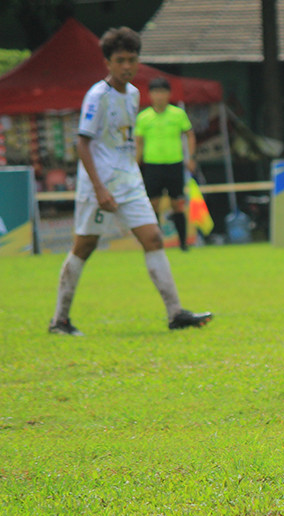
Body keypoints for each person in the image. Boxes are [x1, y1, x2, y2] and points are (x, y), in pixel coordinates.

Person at [48, 27, 211, 336]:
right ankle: (60, 320)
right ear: (108, 62)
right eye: (120, 60)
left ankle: (175, 312)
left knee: (153, 238)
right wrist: (99, 189)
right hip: (100, 184)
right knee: (85, 245)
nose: (127, 66)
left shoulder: (135, 94)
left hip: (129, 180)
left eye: (132, 60)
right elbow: (82, 144)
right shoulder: (97, 96)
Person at [135, 76, 197, 250]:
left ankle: (184, 244)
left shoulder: (178, 114)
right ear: (150, 95)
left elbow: (190, 134)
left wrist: (190, 157)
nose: (159, 96)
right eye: (156, 92)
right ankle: (156, 242)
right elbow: (138, 143)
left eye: (162, 92)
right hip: (152, 165)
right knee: (153, 204)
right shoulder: (143, 117)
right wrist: (135, 165)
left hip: (174, 164)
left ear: (168, 94)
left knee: (177, 203)